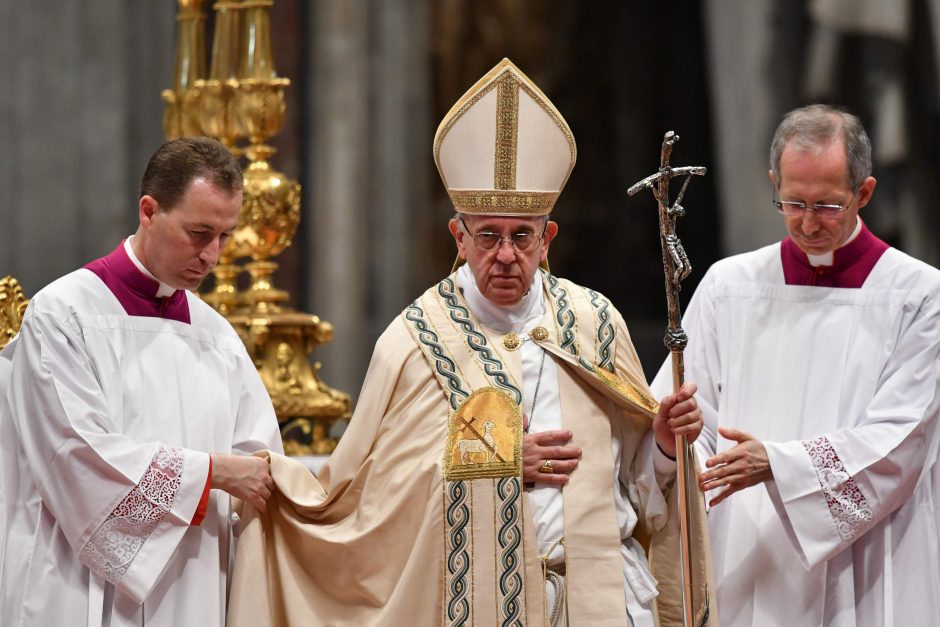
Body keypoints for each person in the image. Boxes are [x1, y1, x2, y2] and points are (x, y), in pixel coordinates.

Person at [227, 59, 714, 627]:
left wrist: (659, 444)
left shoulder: (594, 322)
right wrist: (497, 463)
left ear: (547, 237)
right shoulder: (416, 339)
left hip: (604, 601)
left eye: (521, 236)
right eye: (487, 235)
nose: (505, 254)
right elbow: (375, 502)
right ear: (459, 237)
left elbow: (642, 491)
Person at [651, 104, 940, 626]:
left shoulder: (917, 296)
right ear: (773, 182)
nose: (808, 224)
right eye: (793, 202)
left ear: (865, 193)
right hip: (745, 556)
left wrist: (779, 466)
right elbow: (689, 417)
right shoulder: (728, 287)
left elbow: (901, 441)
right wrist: (670, 444)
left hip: (867, 565)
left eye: (828, 206)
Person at [0, 137, 283, 627]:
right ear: (149, 211)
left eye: (224, 236)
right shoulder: (63, 315)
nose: (212, 255)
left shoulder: (217, 336)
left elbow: (257, 463)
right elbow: (77, 456)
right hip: (79, 583)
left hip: (195, 586)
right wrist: (210, 474)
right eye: (199, 232)